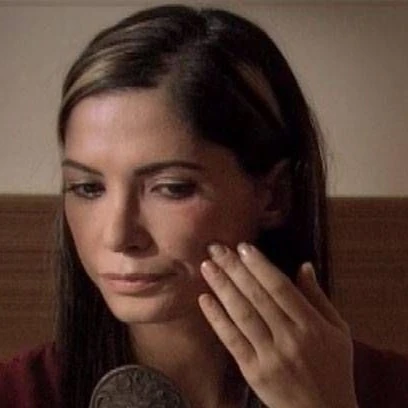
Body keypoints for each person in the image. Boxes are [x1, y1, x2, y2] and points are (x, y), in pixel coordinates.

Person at [1, 4, 407, 408]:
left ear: (275, 196)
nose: (118, 236)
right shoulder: (19, 393)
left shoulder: (388, 388)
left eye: (172, 188)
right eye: (88, 188)